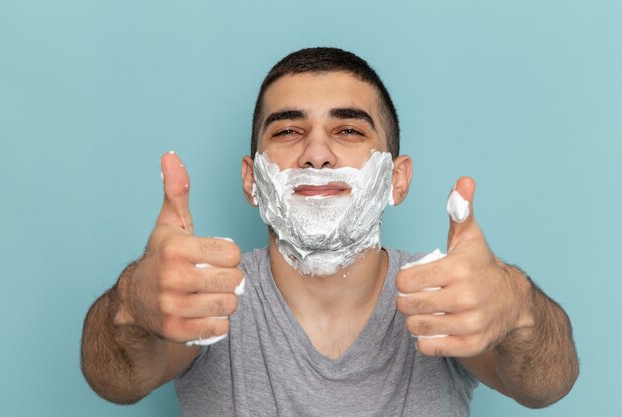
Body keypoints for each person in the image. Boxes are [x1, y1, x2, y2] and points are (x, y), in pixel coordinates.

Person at [81, 47, 579, 416]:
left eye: (348, 130)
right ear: (252, 182)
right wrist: (131, 303)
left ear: (396, 179)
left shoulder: (441, 295)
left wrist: (517, 306)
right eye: (288, 131)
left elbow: (548, 385)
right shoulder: (211, 294)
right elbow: (115, 381)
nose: (316, 153)